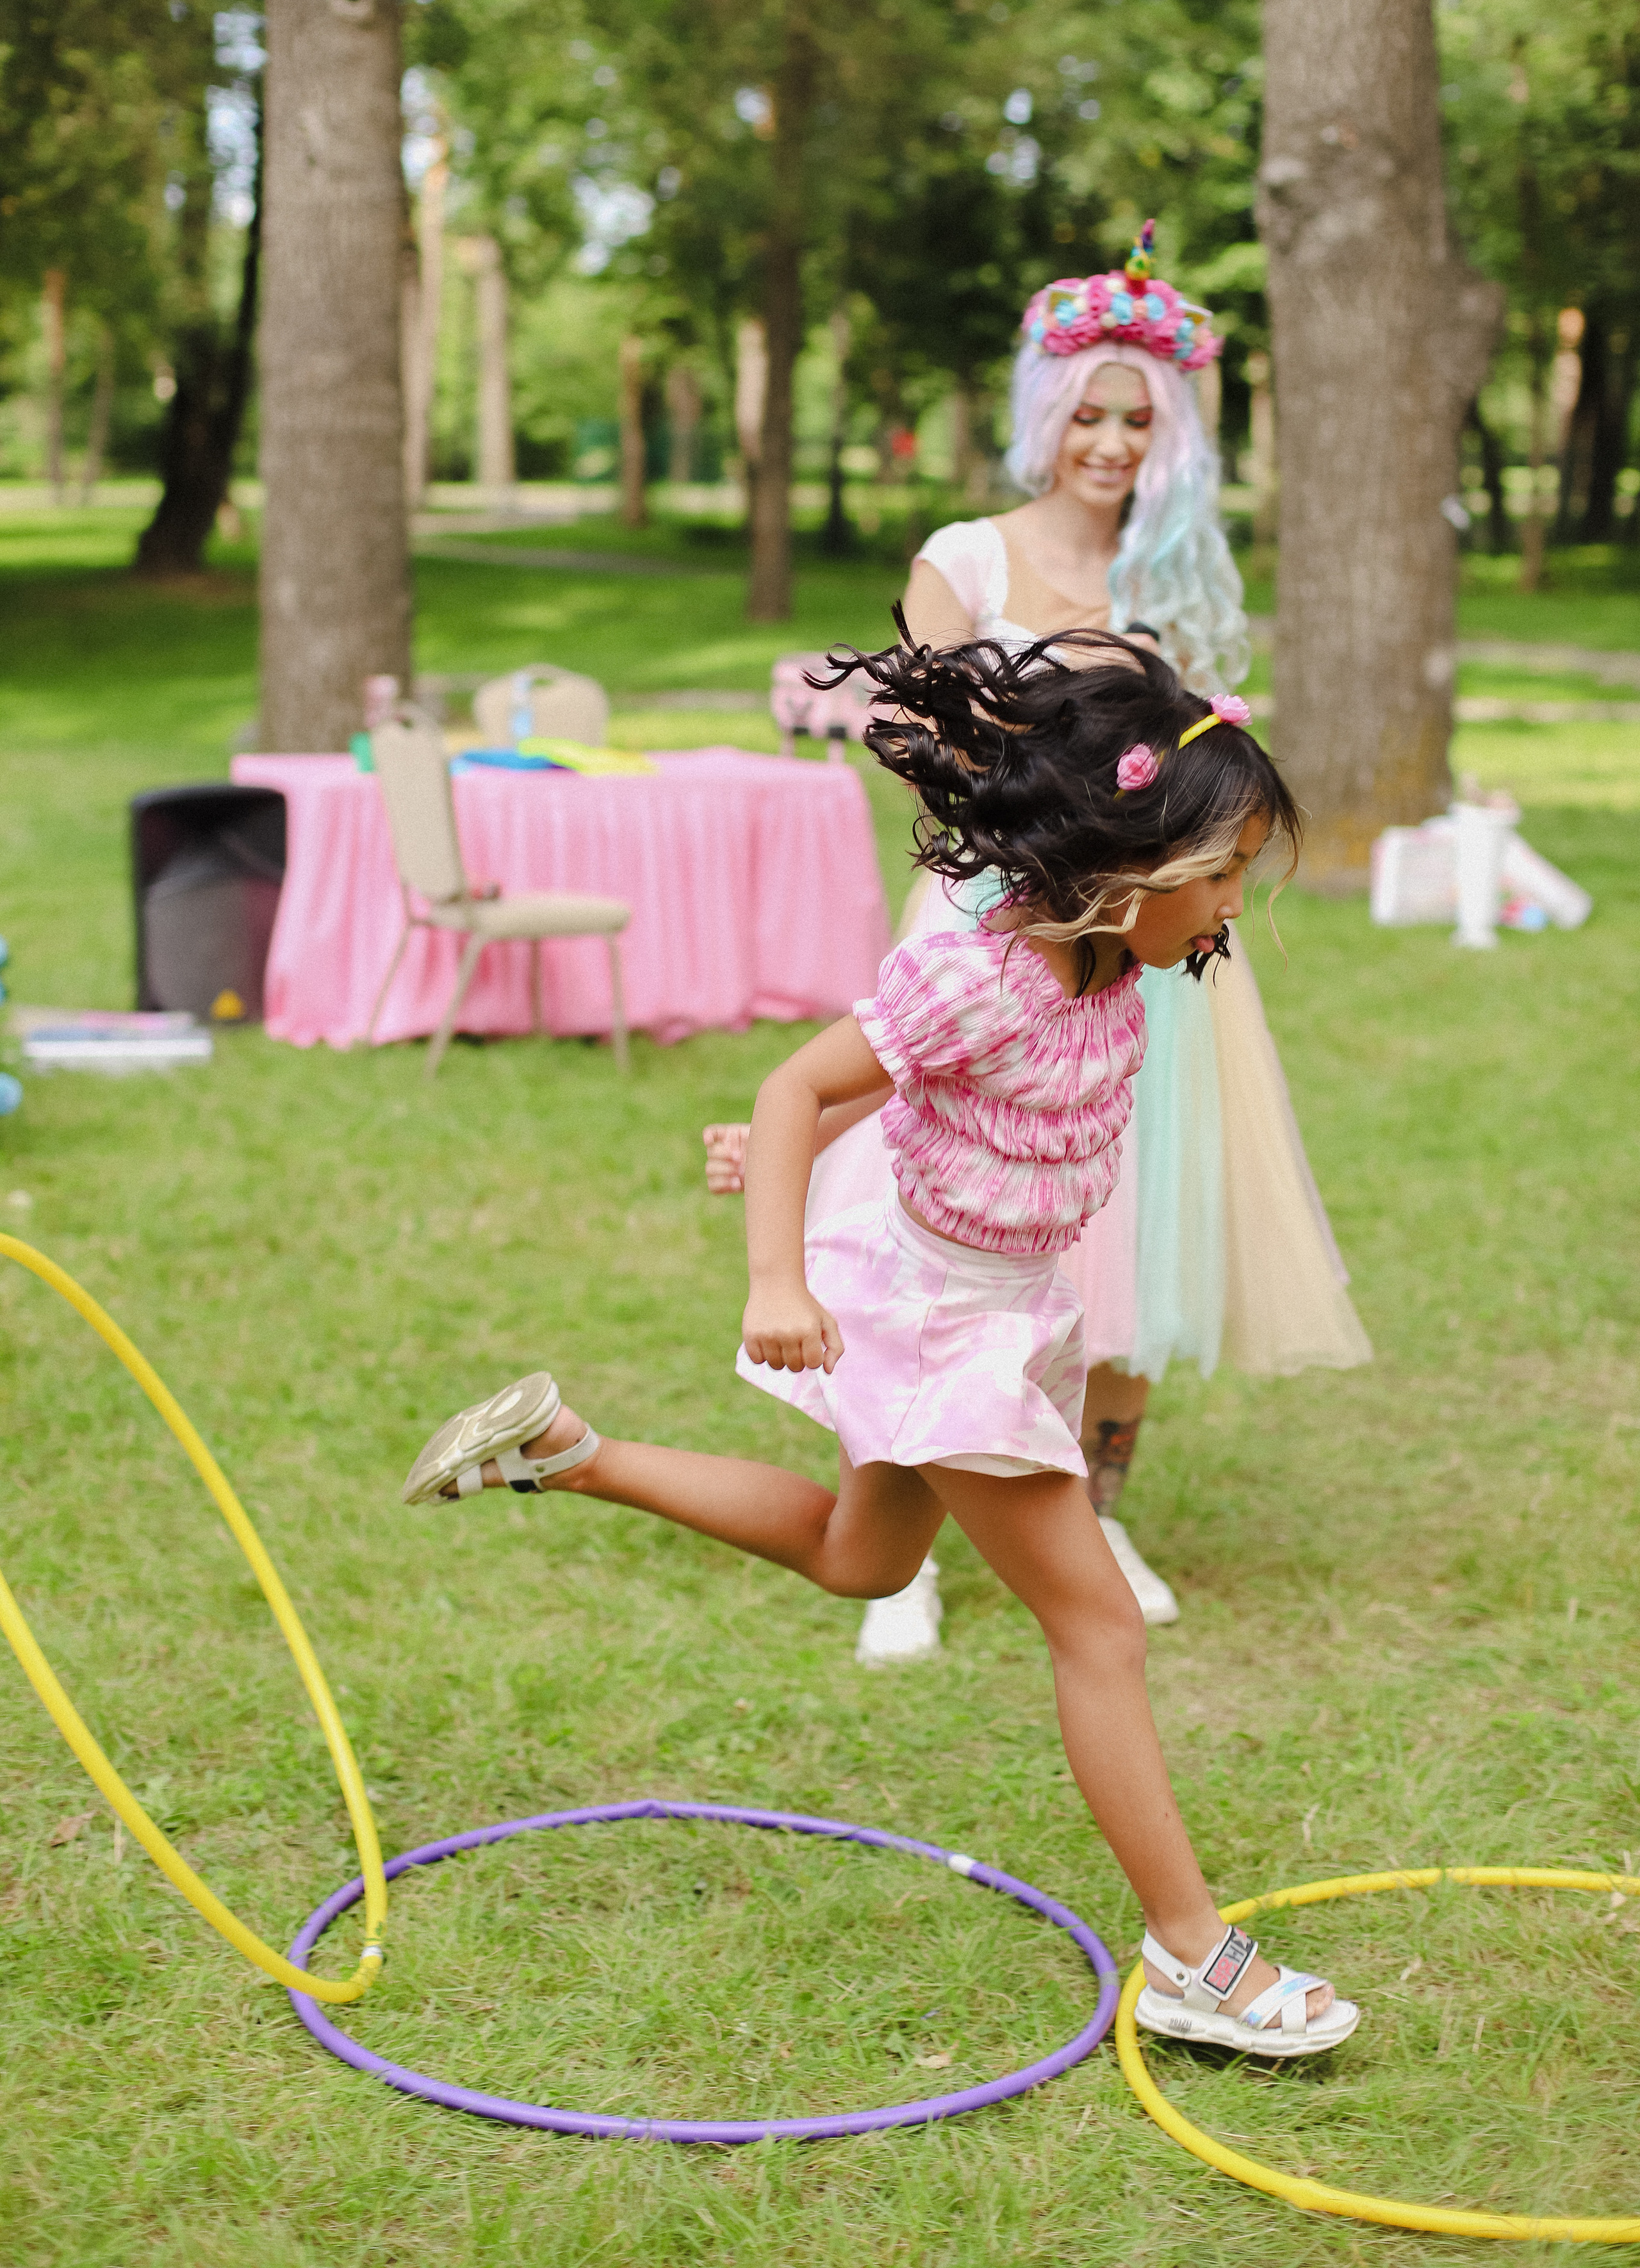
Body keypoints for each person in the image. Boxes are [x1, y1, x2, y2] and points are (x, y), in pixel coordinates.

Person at [401, 634, 1359, 2060]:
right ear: (1132, 863)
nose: (1231, 906)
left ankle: (569, 1453)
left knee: (866, 1562)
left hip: (1001, 1303)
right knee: (1094, 1624)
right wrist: (774, 1267)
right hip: (938, 1322)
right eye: (1219, 874)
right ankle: (1194, 1959)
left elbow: (919, 1102)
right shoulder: (984, 974)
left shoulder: (1109, 966)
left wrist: (826, 1135)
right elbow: (799, 1081)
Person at [707, 224, 1368, 1659]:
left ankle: (1089, 1494)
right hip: (997, 918)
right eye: (1089, 412)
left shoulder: (1178, 571)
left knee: (1126, 1212)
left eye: (1142, 416)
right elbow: (909, 728)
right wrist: (1032, 759)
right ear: (1043, 414)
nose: (1113, 441)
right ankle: (905, 1522)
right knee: (933, 1193)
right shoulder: (970, 556)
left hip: (1147, 938)